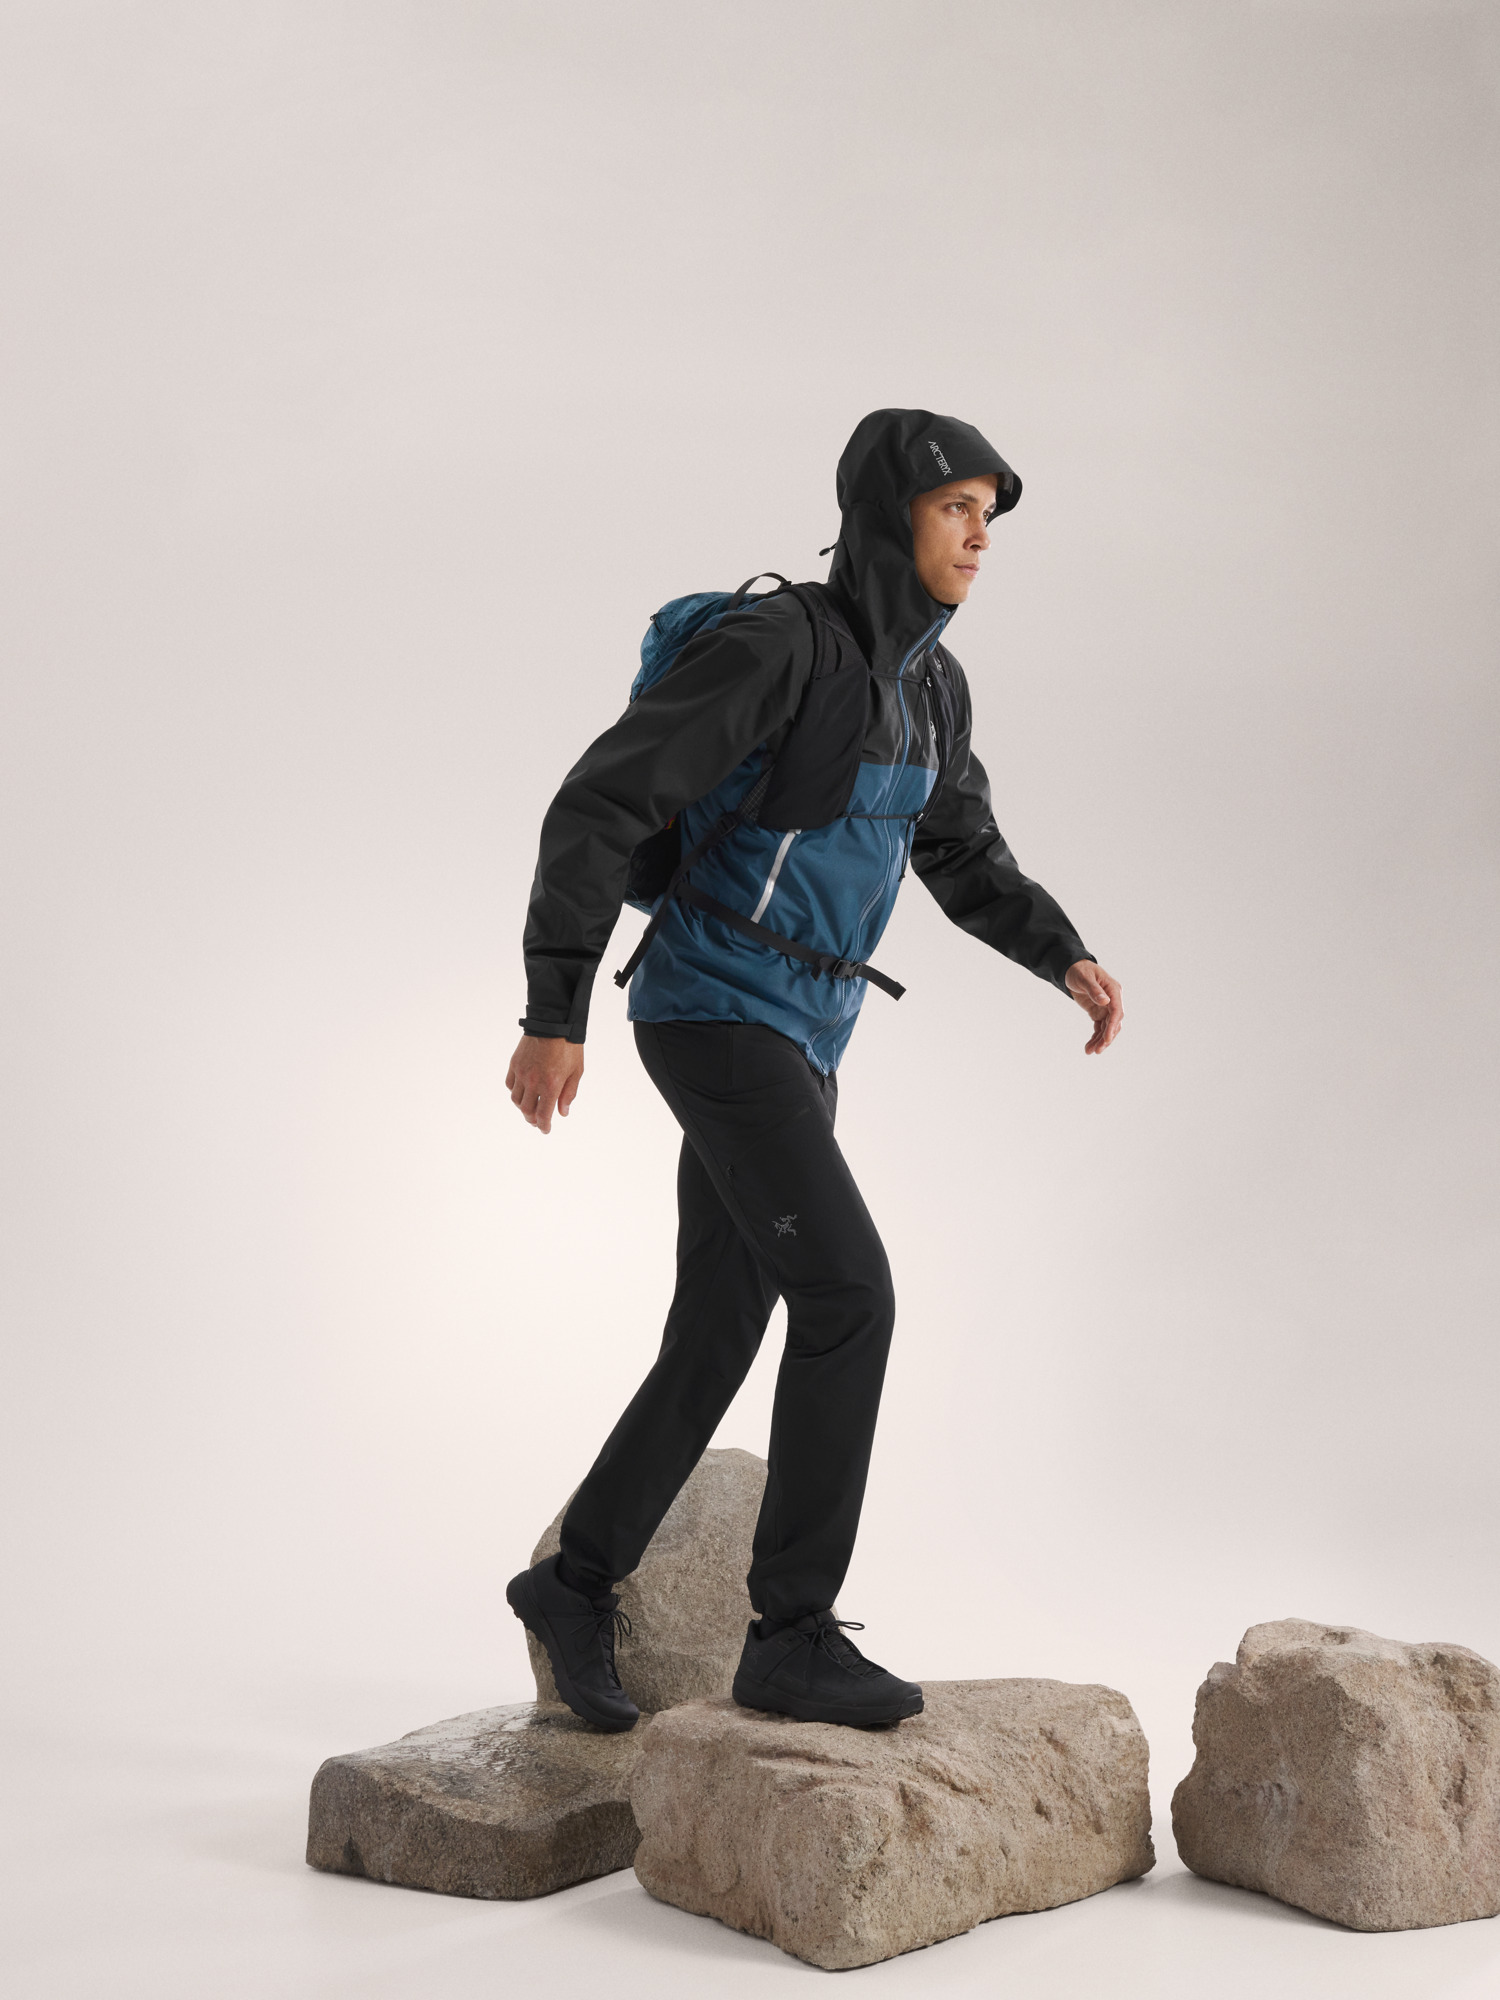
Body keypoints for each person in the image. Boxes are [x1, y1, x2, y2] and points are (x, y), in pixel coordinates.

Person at [504, 408, 1122, 1733]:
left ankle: (573, 1581)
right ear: (888, 515)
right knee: (850, 1294)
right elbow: (602, 802)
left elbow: (959, 849)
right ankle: (789, 1635)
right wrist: (556, 1007)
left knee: (722, 1323)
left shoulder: (933, 687)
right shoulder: (778, 645)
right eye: (955, 508)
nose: (979, 537)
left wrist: (1059, 951)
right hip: (714, 1012)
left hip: (804, 1030)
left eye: (989, 515)